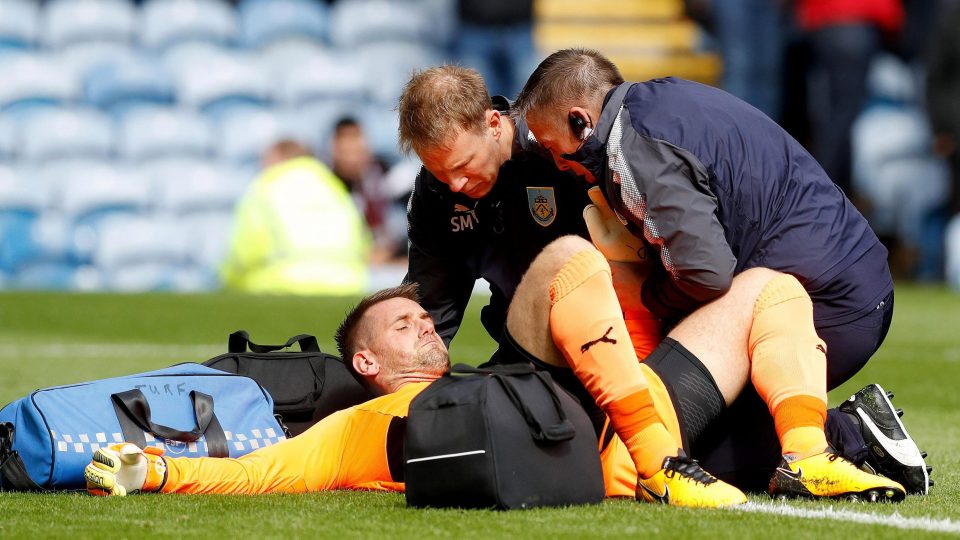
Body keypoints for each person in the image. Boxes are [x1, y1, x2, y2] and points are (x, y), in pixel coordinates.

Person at [399, 64, 930, 493]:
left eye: (463, 166)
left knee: (670, 451)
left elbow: (680, 263)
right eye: (439, 171)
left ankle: (849, 433)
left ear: (495, 123)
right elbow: (431, 303)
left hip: (656, 329)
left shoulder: (569, 150)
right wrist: (406, 397)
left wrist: (655, 328)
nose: (457, 184)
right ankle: (838, 430)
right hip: (542, 347)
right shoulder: (438, 194)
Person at [84, 238, 906, 505]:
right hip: (626, 447)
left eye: (425, 318)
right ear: (365, 362)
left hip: (631, 411)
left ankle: (815, 451)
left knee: (770, 287)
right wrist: (158, 468)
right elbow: (268, 472)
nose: (427, 330)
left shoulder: (472, 373)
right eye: (403, 325)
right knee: (571, 256)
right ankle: (695, 458)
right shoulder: (365, 423)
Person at [221, 139, 371, 295]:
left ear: (276, 159)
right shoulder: (334, 186)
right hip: (347, 286)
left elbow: (242, 254)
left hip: (280, 284)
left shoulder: (265, 187)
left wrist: (226, 280)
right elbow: (363, 244)